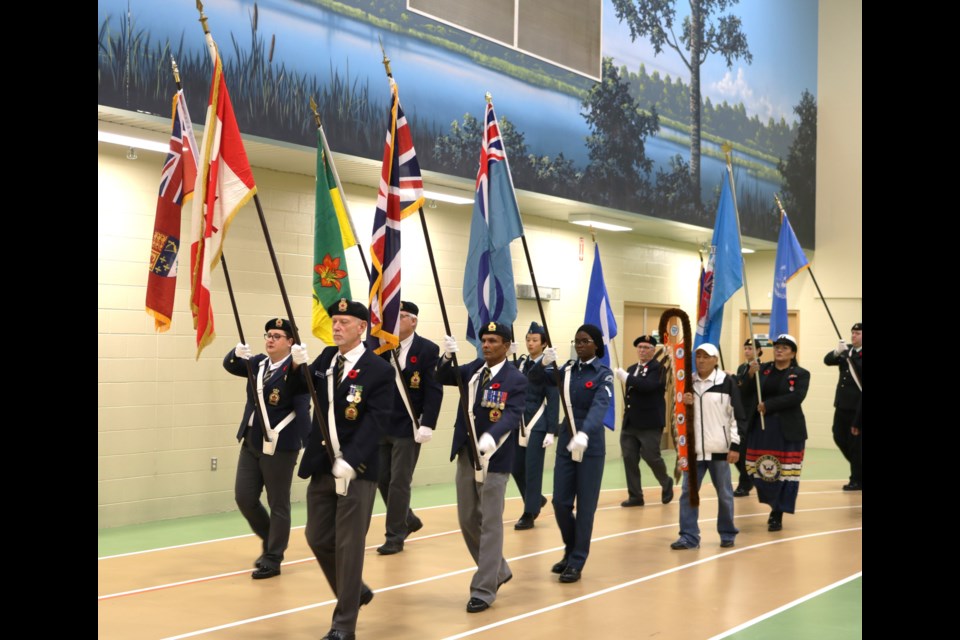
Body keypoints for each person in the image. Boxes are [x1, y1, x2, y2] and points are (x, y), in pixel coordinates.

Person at [297, 299, 394, 640]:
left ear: (361, 328)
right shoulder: (326, 359)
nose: (336, 327)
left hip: (357, 470)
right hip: (323, 466)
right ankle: (355, 591)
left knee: (349, 547)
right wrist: (295, 365)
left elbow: (377, 421)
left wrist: (351, 460)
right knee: (318, 537)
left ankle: (343, 627)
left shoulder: (379, 370)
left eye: (343, 322)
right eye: (334, 321)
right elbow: (303, 386)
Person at [436, 322, 527, 613]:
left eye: (493, 341)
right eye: (484, 340)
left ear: (507, 345)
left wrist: (493, 434)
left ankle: (484, 589)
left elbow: (513, 414)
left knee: (490, 523)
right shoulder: (474, 369)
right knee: (467, 519)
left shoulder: (515, 379)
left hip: (495, 458)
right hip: (466, 453)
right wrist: (447, 356)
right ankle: (498, 569)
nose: (486, 345)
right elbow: (444, 376)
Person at [223, 318, 311, 579]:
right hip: (251, 441)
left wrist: (309, 447)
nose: (270, 340)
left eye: (277, 336)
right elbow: (230, 366)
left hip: (279, 445)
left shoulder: (296, 372)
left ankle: (273, 557)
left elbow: (303, 410)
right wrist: (234, 353)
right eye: (268, 335)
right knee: (244, 497)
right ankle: (272, 537)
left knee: (278, 502)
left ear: (290, 342)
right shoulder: (258, 364)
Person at [545, 324, 614, 584]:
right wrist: (542, 363)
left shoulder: (603, 374)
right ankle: (570, 547)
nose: (580, 345)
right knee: (560, 503)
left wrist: (585, 432)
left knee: (585, 507)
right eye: (576, 342)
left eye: (585, 341)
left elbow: (600, 405)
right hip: (567, 442)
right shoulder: (567, 370)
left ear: (596, 344)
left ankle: (577, 560)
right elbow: (538, 382)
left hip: (590, 444)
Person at [375, 301, 443, 555]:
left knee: (399, 482)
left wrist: (428, 423)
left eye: (402, 316)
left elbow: (433, 390)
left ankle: (394, 535)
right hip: (382, 424)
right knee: (382, 478)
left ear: (413, 321)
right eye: (395, 316)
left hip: (408, 426)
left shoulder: (427, 349)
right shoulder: (381, 348)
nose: (397, 320)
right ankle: (409, 519)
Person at [670, 343, 745, 550]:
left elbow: (736, 417)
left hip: (720, 449)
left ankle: (727, 533)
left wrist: (735, 446)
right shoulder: (687, 383)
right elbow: (678, 418)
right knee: (688, 494)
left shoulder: (727, 382)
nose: (701, 360)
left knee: (725, 494)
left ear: (716, 360)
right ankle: (688, 536)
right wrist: (683, 403)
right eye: (698, 356)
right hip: (693, 451)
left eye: (706, 357)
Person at [742, 334, 810, 532]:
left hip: (787, 430)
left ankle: (777, 512)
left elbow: (797, 397)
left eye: (784, 348)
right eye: (777, 347)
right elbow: (746, 392)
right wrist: (748, 375)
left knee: (784, 472)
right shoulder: (762, 369)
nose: (779, 350)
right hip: (761, 427)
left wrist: (768, 405)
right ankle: (771, 500)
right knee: (756, 467)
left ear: (793, 353)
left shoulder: (801, 373)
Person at [614, 335, 674, 507]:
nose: (642, 350)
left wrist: (626, 378)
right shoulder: (632, 368)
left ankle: (666, 481)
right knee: (629, 458)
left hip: (649, 422)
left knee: (651, 456)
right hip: (631, 422)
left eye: (646, 347)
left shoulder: (660, 368)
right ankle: (635, 495)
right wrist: (627, 377)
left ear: (653, 350)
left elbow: (648, 386)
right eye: (640, 347)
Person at [511, 322, 560, 530]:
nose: (530, 344)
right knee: (515, 466)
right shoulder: (521, 363)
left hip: (537, 422)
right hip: (518, 420)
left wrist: (551, 429)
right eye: (528, 340)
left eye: (535, 340)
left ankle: (530, 512)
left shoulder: (549, 367)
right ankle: (535, 498)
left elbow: (553, 398)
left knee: (532, 469)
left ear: (544, 343)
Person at [824, 322, 862, 491]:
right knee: (838, 436)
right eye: (852, 332)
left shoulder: (854, 355)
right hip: (842, 404)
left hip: (858, 407)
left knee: (856, 444)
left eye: (858, 333)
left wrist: (849, 355)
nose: (853, 335)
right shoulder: (847, 351)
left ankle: (856, 479)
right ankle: (859, 469)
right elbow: (827, 361)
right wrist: (837, 352)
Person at [733, 339, 763, 497]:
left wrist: (753, 374)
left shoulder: (762, 368)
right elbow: (740, 388)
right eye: (745, 348)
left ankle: (745, 484)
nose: (747, 351)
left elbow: (750, 389)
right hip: (741, 414)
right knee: (737, 450)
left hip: (754, 415)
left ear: (758, 350)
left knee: (744, 451)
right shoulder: (743, 367)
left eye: (750, 348)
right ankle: (749, 479)